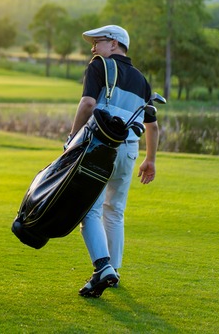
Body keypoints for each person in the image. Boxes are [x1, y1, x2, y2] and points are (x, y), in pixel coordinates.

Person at [68, 24, 159, 298]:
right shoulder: (142, 79)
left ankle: (103, 267)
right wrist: (150, 160)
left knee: (89, 211)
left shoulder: (99, 66)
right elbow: (152, 126)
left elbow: (87, 104)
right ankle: (113, 272)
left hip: (101, 149)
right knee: (115, 211)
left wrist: (72, 139)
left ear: (114, 44)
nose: (93, 48)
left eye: (98, 42)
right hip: (129, 150)